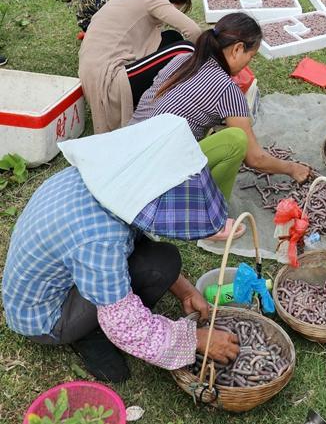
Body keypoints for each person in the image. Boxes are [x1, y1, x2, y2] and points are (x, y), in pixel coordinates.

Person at [2, 115, 241, 383]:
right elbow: (125, 323)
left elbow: (134, 237)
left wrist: (184, 290)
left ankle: (93, 320)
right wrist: (196, 339)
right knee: (125, 304)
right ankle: (87, 333)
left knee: (165, 261)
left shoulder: (103, 178)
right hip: (46, 318)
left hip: (63, 278)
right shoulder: (100, 239)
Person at [131, 13, 311, 190]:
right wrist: (292, 168)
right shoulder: (227, 90)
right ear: (237, 49)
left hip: (127, 147)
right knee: (236, 141)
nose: (249, 63)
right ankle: (212, 208)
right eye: (251, 56)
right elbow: (255, 159)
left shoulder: (181, 59)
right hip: (153, 172)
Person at [79, 0, 201, 134]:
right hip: (109, 78)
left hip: (94, 73)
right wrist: (206, 62)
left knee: (172, 38)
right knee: (185, 49)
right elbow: (193, 32)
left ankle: (167, 101)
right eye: (175, 9)